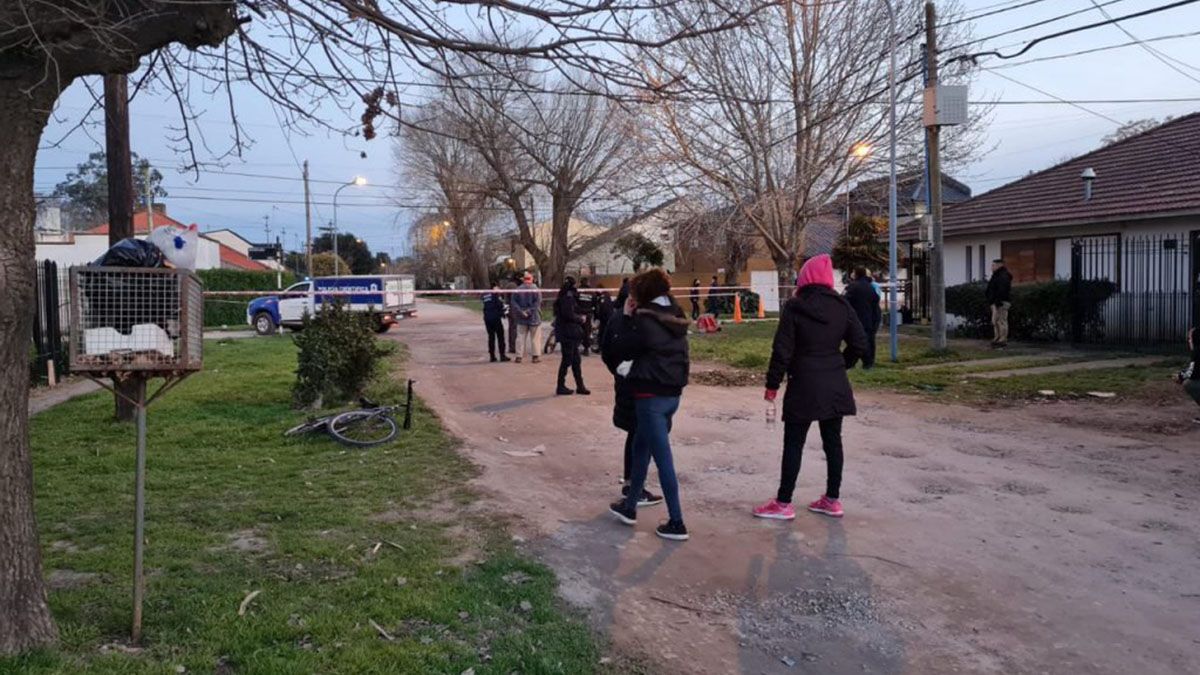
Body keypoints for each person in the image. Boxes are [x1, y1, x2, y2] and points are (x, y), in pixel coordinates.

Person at [754, 254, 867, 521]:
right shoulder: (842, 306)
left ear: (804, 277)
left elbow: (782, 349)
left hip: (803, 382)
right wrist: (841, 363)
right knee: (833, 442)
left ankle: (783, 503)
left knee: (794, 443)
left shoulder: (795, 307)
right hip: (835, 382)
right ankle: (832, 499)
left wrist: (772, 385)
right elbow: (860, 343)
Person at [607, 269, 691, 541]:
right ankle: (630, 506)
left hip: (649, 395)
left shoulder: (643, 320)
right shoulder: (676, 316)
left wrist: (626, 318)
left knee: (662, 459)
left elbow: (622, 349)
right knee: (640, 448)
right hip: (672, 394)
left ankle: (677, 522)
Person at [600, 305, 664, 507]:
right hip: (641, 388)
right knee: (645, 438)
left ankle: (632, 486)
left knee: (636, 435)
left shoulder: (618, 316)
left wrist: (619, 371)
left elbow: (606, 351)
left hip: (627, 384)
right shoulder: (639, 320)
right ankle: (634, 490)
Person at [552, 276, 590, 395]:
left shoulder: (566, 296)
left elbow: (575, 309)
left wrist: (585, 311)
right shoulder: (567, 297)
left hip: (570, 333)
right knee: (567, 360)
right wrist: (580, 319)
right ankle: (560, 386)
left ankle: (580, 386)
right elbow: (568, 314)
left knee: (576, 361)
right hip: (568, 333)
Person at [844, 267, 881, 369]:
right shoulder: (870, 287)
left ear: (856, 274)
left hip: (857, 319)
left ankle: (850, 363)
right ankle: (868, 363)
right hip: (870, 319)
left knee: (855, 342)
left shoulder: (853, 286)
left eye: (853, 272)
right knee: (868, 341)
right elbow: (876, 302)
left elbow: (845, 301)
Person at [511, 271, 543, 364]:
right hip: (534, 317)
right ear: (532, 279)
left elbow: (513, 302)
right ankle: (535, 356)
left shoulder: (518, 289)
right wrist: (529, 311)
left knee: (520, 337)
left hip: (521, 317)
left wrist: (521, 311)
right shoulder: (536, 289)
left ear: (523, 279)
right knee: (535, 338)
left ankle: (519, 356)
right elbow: (537, 303)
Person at [986, 258, 1013, 349]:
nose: (991, 267)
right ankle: (997, 338)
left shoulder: (1003, 276)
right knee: (995, 321)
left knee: (1001, 321)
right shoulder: (996, 275)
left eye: (993, 265)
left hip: (1001, 302)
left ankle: (1002, 339)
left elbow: (1002, 290)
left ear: (999, 265)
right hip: (995, 302)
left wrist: (997, 301)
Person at [481, 285, 510, 363]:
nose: (499, 290)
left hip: (487, 319)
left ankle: (492, 356)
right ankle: (502, 356)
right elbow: (500, 306)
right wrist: (504, 313)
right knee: (500, 337)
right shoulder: (496, 296)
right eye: (498, 289)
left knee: (491, 337)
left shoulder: (485, 295)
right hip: (495, 318)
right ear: (495, 289)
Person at [1177, 327, 1200, 424]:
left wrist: (1180, 376)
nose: (1189, 341)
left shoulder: (1197, 352)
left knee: (1189, 384)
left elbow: (1193, 373)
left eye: (1190, 338)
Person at [501, 274, 520, 355]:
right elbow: (514, 298)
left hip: (508, 308)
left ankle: (511, 347)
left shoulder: (507, 286)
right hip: (513, 309)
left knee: (511, 328)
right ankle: (513, 347)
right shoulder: (513, 286)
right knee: (514, 328)